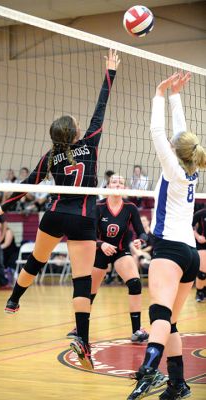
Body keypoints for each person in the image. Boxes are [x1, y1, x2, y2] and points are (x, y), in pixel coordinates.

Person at [0, 49, 120, 371]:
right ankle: (83, 341)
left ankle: (14, 299)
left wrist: (3, 206)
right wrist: (110, 72)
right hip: (83, 219)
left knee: (36, 260)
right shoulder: (91, 142)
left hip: (55, 215)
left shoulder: (49, 156)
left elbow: (29, 184)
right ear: (75, 133)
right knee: (82, 281)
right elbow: (101, 109)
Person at [127, 72, 206, 400]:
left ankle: (148, 370)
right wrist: (175, 96)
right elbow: (179, 134)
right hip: (188, 254)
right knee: (169, 320)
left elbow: (158, 131)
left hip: (170, 251)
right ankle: (177, 384)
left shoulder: (173, 168)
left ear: (175, 150)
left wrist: (160, 93)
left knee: (159, 315)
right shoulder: (193, 168)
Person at [67, 174, 150, 343]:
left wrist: (140, 240)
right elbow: (88, 234)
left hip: (120, 251)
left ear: (125, 188)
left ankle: (137, 330)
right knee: (90, 291)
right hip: (99, 251)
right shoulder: (98, 207)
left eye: (121, 182)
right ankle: (79, 328)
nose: (118, 185)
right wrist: (101, 244)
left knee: (135, 283)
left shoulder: (130, 207)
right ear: (107, 187)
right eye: (114, 182)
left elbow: (142, 232)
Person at [192, 207, 206, 302]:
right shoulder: (201, 213)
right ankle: (199, 292)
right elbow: (189, 227)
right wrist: (198, 236)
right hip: (202, 244)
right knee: (202, 272)